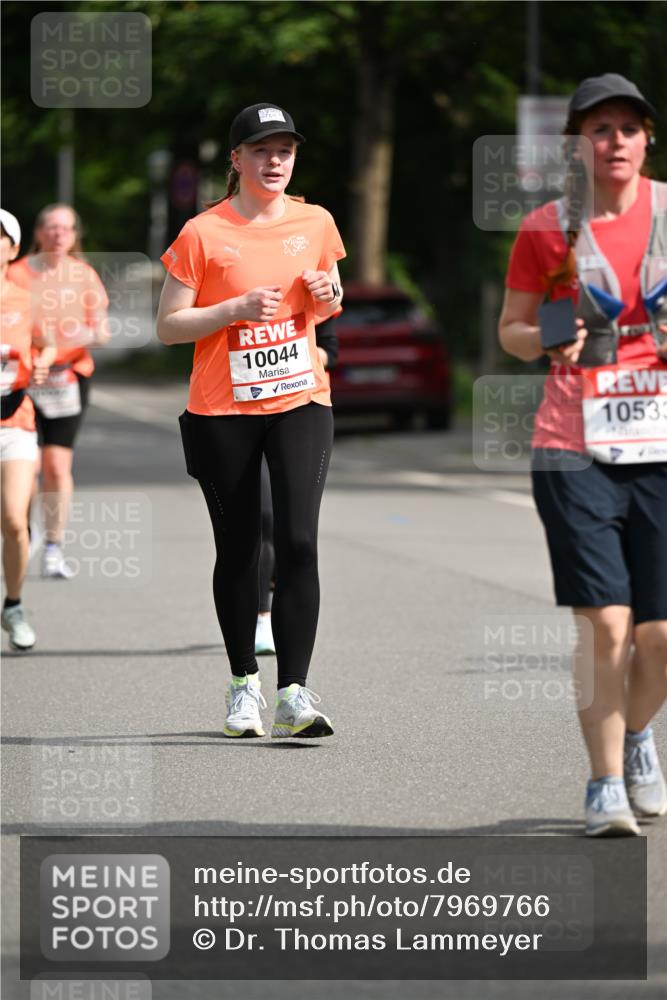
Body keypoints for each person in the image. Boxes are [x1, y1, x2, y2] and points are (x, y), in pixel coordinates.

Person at [499, 74, 667, 836]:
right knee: (605, 624)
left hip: (660, 444)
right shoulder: (547, 227)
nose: (616, 142)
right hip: (573, 445)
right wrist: (542, 340)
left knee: (660, 636)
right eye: (600, 130)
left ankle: (636, 735)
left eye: (628, 128)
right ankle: (602, 785)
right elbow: (511, 328)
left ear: (646, 138)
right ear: (578, 144)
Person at [157, 102, 345, 738]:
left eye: (285, 150)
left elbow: (332, 294)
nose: (275, 162)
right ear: (235, 160)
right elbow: (167, 326)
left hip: (300, 396)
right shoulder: (201, 233)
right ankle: (244, 686)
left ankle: (293, 692)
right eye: (262, 150)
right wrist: (232, 307)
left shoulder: (316, 221)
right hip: (223, 407)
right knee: (241, 549)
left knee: (298, 541)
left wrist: (329, 298)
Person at [8, 203, 110, 578]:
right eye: (51, 227)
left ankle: (53, 545)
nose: (57, 235)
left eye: (65, 229)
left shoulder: (83, 275)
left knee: (55, 466)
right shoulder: (17, 274)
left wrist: (80, 337)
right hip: (24, 380)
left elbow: (100, 330)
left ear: (73, 236)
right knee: (27, 464)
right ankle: (26, 531)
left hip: (69, 378)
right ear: (38, 233)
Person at [255, 313, 339, 655]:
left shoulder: (315, 285)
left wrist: (289, 351)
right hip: (242, 411)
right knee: (261, 516)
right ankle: (262, 616)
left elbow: (329, 350)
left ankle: (276, 587)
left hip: (298, 410)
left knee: (291, 531)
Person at [1, 209, 56, 650]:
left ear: (13, 248)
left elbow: (48, 341)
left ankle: (13, 604)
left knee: (15, 521)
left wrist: (41, 362)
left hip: (14, 420)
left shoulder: (24, 299)